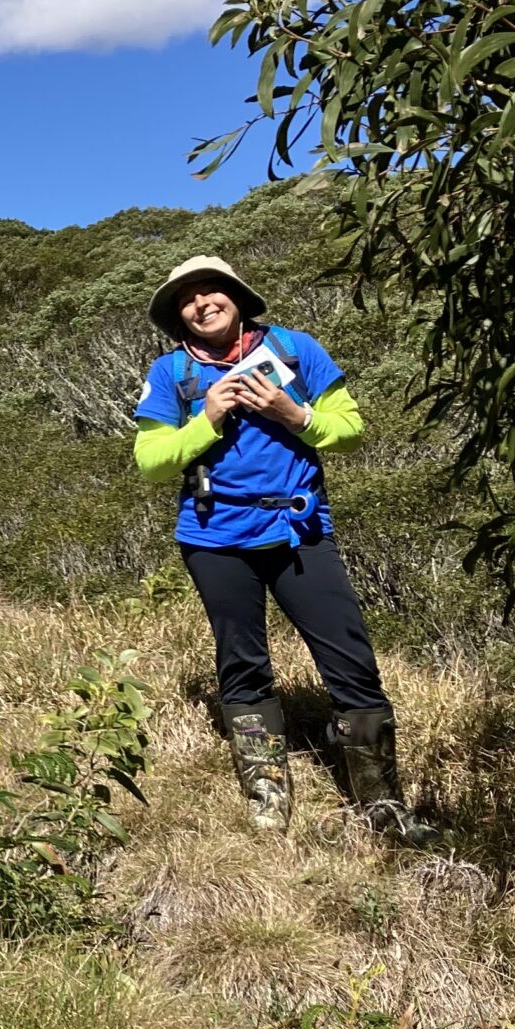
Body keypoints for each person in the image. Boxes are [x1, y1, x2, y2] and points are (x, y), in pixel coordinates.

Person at [131, 255, 436, 843]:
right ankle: (267, 798)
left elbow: (350, 430)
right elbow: (151, 461)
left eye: (211, 290)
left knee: (351, 663)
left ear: (237, 296)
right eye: (187, 298)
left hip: (301, 531)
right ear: (178, 316)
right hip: (214, 538)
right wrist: (208, 417)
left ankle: (382, 805)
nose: (201, 303)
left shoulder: (295, 350)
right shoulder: (171, 373)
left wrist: (293, 414)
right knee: (242, 663)